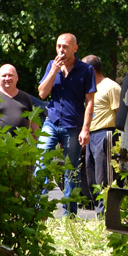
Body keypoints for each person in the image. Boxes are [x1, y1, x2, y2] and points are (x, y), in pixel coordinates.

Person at [37, 33, 95, 216]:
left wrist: (86, 128)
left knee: (71, 170)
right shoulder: (51, 65)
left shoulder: (86, 70)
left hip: (73, 125)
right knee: (41, 162)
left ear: (75, 48)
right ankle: (38, 209)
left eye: (65, 47)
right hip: (51, 122)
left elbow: (90, 101)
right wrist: (54, 71)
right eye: (58, 46)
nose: (61, 50)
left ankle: (69, 214)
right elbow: (42, 94)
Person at [81, 55, 120, 211]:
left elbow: (121, 114)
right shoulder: (89, 89)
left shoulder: (111, 87)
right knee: (91, 177)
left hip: (106, 134)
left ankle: (107, 214)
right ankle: (99, 213)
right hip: (91, 135)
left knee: (104, 176)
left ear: (91, 70)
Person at [0, 64, 38, 134]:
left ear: (17, 77)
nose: (7, 78)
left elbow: (34, 126)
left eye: (10, 75)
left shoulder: (25, 98)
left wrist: (37, 142)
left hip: (21, 144)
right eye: (4, 76)